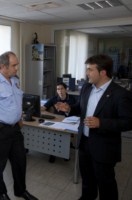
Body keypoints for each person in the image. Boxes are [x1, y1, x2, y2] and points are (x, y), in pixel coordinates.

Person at [55, 54, 132, 200]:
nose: (86, 73)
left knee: (106, 185)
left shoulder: (120, 94)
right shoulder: (86, 88)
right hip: (84, 143)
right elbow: (80, 108)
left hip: (104, 147)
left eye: (90, 70)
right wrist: (69, 108)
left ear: (102, 72)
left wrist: (101, 123)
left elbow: (128, 122)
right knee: (87, 181)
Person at [0, 51, 38, 200]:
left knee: (20, 162)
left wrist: (19, 119)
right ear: (3, 66)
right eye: (14, 65)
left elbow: (17, 101)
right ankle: (1, 193)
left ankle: (21, 190)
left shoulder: (15, 79)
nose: (17, 68)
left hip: (15, 129)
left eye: (17, 64)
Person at [41, 82, 76, 163]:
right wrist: (36, 108)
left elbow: (75, 112)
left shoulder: (72, 99)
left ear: (66, 89)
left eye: (62, 89)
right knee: (53, 134)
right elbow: (44, 107)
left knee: (64, 136)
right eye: (58, 89)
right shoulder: (54, 98)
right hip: (57, 120)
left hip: (69, 121)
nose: (60, 91)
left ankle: (65, 153)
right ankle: (53, 153)